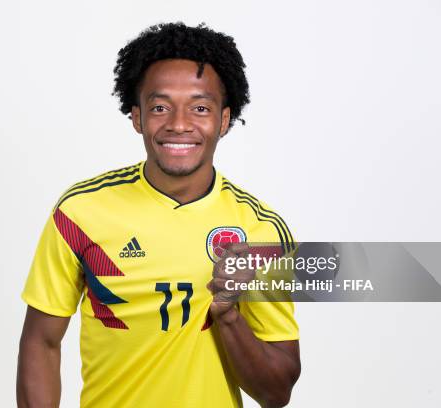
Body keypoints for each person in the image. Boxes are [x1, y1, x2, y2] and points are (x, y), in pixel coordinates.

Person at [17, 22, 300, 408]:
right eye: (160, 107)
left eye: (200, 108)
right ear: (137, 117)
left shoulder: (261, 231)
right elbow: (41, 341)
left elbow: (276, 392)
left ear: (224, 120)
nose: (179, 124)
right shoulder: (80, 212)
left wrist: (229, 316)